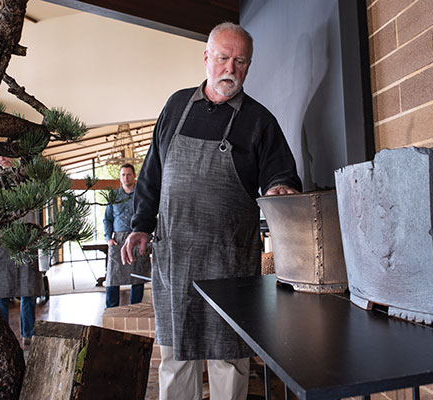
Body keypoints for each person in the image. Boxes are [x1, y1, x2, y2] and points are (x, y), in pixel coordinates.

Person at [122, 22, 301, 400]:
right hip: (175, 258)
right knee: (175, 358)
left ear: (249, 66)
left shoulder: (259, 120)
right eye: (223, 58)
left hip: (229, 260)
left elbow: (280, 173)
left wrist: (279, 187)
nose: (230, 70)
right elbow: (152, 174)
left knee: (229, 359)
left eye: (240, 62)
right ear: (206, 58)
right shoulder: (175, 107)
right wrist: (140, 225)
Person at [0, 155, 44, 348]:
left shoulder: (29, 178)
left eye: (4, 154)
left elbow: (39, 197)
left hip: (26, 239)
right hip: (1, 242)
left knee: (29, 290)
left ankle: (28, 334)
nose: (1, 159)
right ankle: (4, 338)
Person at [103, 163, 150, 308]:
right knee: (113, 276)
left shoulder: (142, 194)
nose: (126, 177)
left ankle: (135, 308)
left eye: (129, 174)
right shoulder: (114, 196)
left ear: (134, 176)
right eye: (123, 174)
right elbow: (107, 219)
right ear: (120, 177)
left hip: (137, 237)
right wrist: (108, 238)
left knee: (138, 276)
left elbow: (150, 215)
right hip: (118, 239)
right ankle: (110, 309)